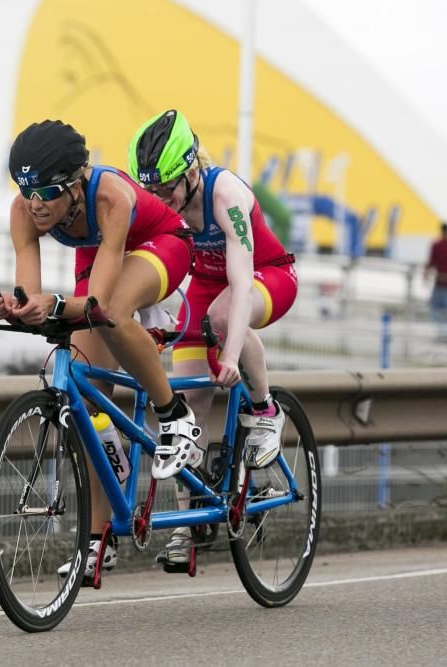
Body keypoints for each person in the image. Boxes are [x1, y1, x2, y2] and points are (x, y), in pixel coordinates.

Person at [0, 120, 199, 579]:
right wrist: (14, 307)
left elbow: (98, 305)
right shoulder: (25, 209)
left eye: (47, 192)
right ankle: (102, 537)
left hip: (160, 244)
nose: (36, 205)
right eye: (26, 192)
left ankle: (175, 415)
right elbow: (31, 292)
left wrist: (54, 304)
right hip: (100, 253)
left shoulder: (109, 197)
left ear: (76, 184)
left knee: (113, 312)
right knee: (85, 400)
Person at [127, 109, 298, 567]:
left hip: (265, 276)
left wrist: (230, 356)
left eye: (168, 188)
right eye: (153, 191)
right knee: (185, 411)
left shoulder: (226, 194)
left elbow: (241, 285)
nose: (161, 199)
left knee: (224, 318)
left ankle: (265, 410)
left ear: (192, 169)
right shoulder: (162, 198)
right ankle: (187, 530)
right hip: (205, 289)